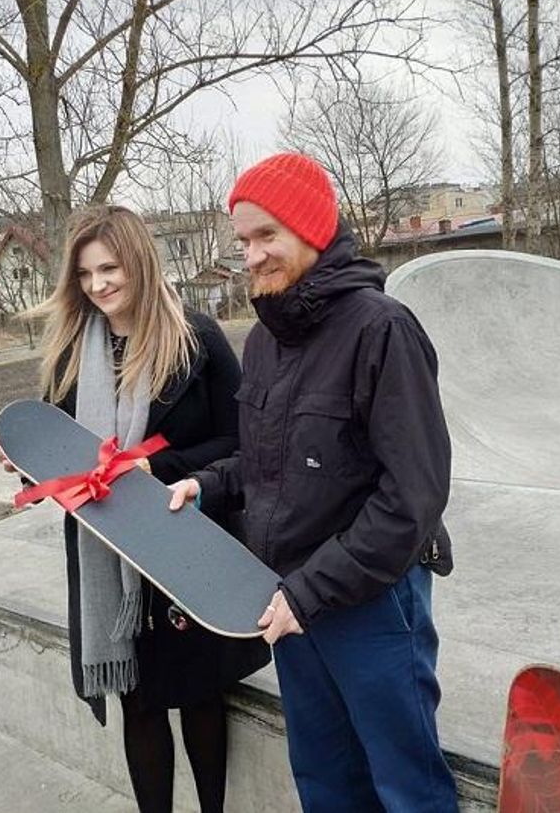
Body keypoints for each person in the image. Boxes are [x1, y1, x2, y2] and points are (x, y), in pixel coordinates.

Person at [168, 153, 459, 812]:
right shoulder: (266, 340)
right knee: (326, 785)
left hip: (372, 605)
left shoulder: (381, 330)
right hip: (289, 603)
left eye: (266, 235)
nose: (251, 255)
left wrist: (311, 591)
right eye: (242, 240)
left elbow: (413, 495)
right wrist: (207, 486)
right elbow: (265, 458)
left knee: (407, 788)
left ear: (311, 229)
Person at [0, 204, 269, 813]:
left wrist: (156, 469)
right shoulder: (69, 353)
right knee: (137, 702)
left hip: (181, 545)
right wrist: (25, 458)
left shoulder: (196, 338)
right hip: (107, 552)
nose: (98, 286)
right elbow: (61, 450)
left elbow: (244, 442)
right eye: (86, 275)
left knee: (199, 695)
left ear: (139, 263)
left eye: (110, 269)